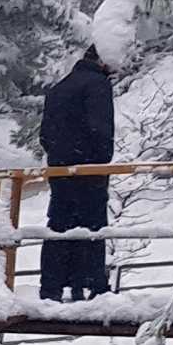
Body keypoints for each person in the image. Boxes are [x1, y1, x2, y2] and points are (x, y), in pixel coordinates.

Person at [38, 46, 117, 302]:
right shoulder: (97, 86)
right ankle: (94, 286)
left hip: (60, 168)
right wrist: (102, 160)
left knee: (59, 226)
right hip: (89, 169)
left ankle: (52, 287)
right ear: (103, 59)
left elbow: (45, 136)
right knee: (92, 227)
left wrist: (61, 156)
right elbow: (100, 129)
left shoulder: (59, 88)